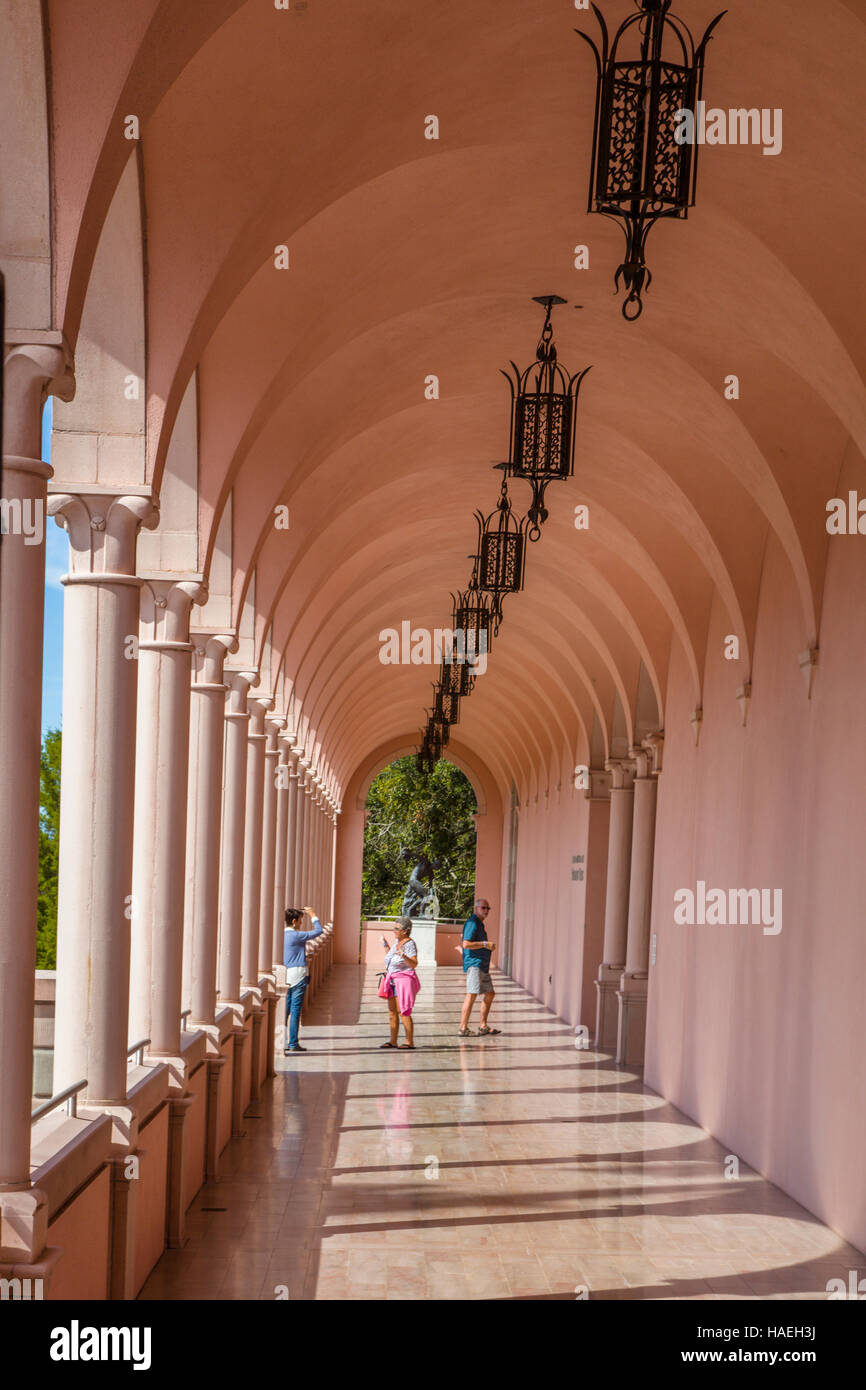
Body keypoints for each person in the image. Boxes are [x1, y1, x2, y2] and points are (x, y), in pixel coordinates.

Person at [282, 905, 322, 1054]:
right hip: (298, 975)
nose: (301, 924)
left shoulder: (282, 936)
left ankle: (283, 1042)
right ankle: (293, 1042)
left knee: (284, 1011)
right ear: (294, 921)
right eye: (300, 921)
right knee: (295, 1011)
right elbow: (319, 931)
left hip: (285, 975)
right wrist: (313, 914)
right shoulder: (297, 935)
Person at [458, 897, 501, 1037]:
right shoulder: (472, 923)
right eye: (483, 908)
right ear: (476, 908)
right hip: (474, 964)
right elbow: (466, 944)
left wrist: (486, 946)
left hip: (482, 965)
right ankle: (463, 1028)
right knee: (471, 994)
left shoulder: (479, 924)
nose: (486, 910)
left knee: (490, 993)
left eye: (488, 908)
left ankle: (483, 1026)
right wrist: (485, 944)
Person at [379, 916, 420, 1049]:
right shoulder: (397, 942)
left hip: (403, 980)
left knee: (403, 1011)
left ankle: (409, 1041)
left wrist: (404, 956)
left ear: (405, 931)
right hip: (391, 979)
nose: (394, 931)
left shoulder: (409, 944)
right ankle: (393, 1040)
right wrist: (385, 944)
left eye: (397, 928)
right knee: (392, 1012)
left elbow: (414, 964)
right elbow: (391, 956)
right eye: (394, 928)